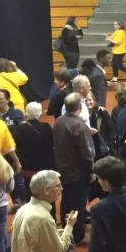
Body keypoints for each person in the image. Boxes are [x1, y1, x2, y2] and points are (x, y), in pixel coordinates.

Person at [52, 93, 95, 242]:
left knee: (66, 201)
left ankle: (67, 229)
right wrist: (91, 171)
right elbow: (87, 153)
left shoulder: (58, 121)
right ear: (79, 106)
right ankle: (77, 235)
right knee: (78, 203)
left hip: (63, 169)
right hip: (77, 172)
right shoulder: (80, 125)